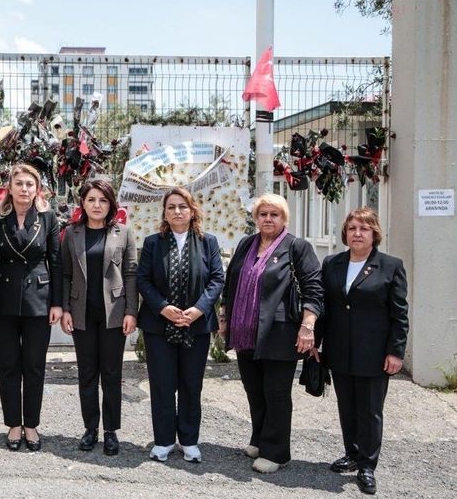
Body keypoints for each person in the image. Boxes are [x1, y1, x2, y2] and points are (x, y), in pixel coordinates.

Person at [219, 193, 323, 473]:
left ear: (284, 218)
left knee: (275, 393)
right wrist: (224, 317)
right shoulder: (245, 244)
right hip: (245, 331)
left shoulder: (297, 247)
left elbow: (314, 289)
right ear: (256, 218)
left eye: (274, 214)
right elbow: (231, 285)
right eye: (263, 214)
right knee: (254, 390)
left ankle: (277, 452)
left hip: (280, 332)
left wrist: (308, 326)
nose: (268, 219)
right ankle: (260, 439)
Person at [317, 208, 408, 495]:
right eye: (353, 228)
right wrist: (316, 343)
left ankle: (367, 466)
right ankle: (352, 453)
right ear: (345, 232)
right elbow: (324, 308)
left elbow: (400, 314)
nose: (357, 233)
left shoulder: (390, 266)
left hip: (374, 353)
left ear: (374, 234)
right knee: (347, 407)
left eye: (364, 229)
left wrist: (396, 352)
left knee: (370, 410)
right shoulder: (332, 263)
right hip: (339, 350)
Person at [135, 187, 224, 463]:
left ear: (192, 210)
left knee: (190, 384)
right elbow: (143, 280)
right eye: (171, 207)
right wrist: (163, 308)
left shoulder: (208, 242)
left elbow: (217, 280)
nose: (177, 211)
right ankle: (163, 440)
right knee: (162, 384)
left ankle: (188, 440)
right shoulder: (153, 243)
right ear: (164, 212)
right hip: (159, 326)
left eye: (182, 206)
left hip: (196, 326)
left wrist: (198, 310)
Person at [0, 163, 62, 451]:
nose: (25, 189)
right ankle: (13, 425)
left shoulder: (48, 218)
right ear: (10, 188)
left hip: (39, 302)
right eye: (20, 184)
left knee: (34, 366)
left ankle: (31, 425)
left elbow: (56, 261)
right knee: (7, 365)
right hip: (3, 300)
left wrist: (57, 303)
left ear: (37, 189)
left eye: (30, 184)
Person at [60, 179, 138, 456]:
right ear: (83, 203)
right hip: (82, 314)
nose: (97, 205)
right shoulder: (72, 233)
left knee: (112, 374)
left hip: (114, 314)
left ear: (111, 204)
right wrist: (65, 309)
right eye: (91, 199)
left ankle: (111, 431)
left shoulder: (124, 233)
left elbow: (130, 274)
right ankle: (90, 428)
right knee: (87, 374)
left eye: (103, 200)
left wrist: (131, 311)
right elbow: (66, 273)